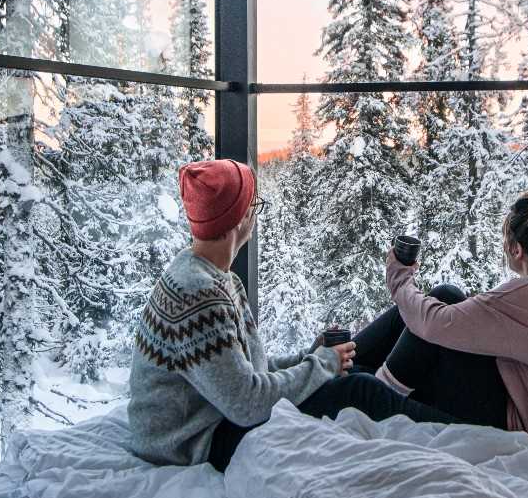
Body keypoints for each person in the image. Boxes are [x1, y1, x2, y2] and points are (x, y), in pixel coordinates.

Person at [127, 159, 457, 473]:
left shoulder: (215, 277)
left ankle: (441, 414)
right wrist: (321, 364)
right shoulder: (199, 295)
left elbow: (248, 372)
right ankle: (465, 433)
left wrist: (310, 356)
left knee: (353, 364)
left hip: (216, 413)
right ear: (239, 219)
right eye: (253, 206)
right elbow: (246, 403)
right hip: (196, 440)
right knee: (358, 388)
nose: (256, 216)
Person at [351, 188, 528, 446]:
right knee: (444, 296)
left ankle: (373, 395)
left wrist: (399, 279)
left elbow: (436, 323)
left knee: (441, 304)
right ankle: (347, 364)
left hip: (521, 424)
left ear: (516, 250)